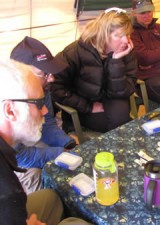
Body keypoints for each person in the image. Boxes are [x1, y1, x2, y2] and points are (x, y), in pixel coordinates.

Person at [0, 59, 92, 225]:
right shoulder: (7, 192)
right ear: (10, 110)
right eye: (38, 104)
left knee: (50, 197)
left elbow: (48, 125)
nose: (45, 110)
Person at [51, 7, 137, 133]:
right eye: (119, 35)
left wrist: (116, 61)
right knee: (118, 129)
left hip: (111, 97)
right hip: (82, 104)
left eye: (128, 34)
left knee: (123, 125)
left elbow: (124, 90)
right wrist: (88, 107)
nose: (125, 40)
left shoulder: (127, 51)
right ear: (104, 34)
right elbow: (55, 87)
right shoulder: (74, 52)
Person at [10, 36, 77, 194]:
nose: (52, 78)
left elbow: (47, 123)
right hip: (9, 160)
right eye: (44, 73)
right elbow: (20, 157)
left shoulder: (42, 88)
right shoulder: (8, 99)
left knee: (65, 160)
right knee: (35, 177)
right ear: (21, 72)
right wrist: (60, 152)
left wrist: (67, 143)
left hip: (28, 143)